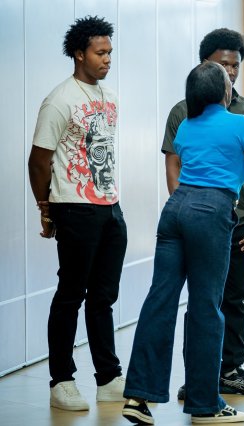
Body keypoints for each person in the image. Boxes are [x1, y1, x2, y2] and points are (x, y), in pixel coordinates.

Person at [121, 62, 244, 425]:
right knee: (206, 306)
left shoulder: (186, 126)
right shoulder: (242, 124)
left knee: (160, 300)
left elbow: (183, 162)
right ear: (225, 91)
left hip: (175, 209)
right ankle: (205, 405)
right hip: (212, 209)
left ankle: (138, 396)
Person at [162, 28, 244, 399]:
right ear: (204, 65)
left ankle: (231, 371)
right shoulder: (183, 112)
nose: (230, 72)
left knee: (235, 299)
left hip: (240, 221)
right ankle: (198, 376)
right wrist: (188, 209)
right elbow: (173, 165)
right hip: (200, 219)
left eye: (235, 65)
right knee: (201, 300)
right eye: (223, 64)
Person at [27, 16, 127, 411]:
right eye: (100, 53)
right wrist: (46, 208)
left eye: (110, 53)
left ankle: (108, 378)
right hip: (73, 207)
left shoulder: (110, 97)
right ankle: (62, 381)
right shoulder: (59, 100)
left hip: (110, 208)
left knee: (103, 297)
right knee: (70, 295)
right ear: (79, 54)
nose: (107, 60)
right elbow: (39, 160)